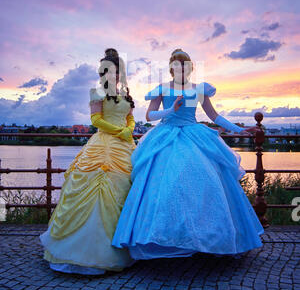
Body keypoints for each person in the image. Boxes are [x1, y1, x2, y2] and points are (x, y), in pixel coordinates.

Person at [111, 48, 264, 259]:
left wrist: (241, 130)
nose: (181, 68)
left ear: (190, 67)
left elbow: (214, 116)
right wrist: (171, 109)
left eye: (185, 64)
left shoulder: (199, 89)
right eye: (177, 64)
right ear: (172, 68)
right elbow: (150, 115)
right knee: (166, 186)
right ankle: (164, 237)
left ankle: (203, 238)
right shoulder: (163, 88)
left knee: (202, 185)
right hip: (166, 136)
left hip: (193, 135)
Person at [40, 48, 136, 274]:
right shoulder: (98, 91)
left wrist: (129, 130)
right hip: (104, 144)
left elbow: (131, 117)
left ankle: (123, 243)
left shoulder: (126, 94)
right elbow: (95, 120)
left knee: (127, 183)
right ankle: (81, 250)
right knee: (98, 182)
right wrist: (118, 131)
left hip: (125, 144)